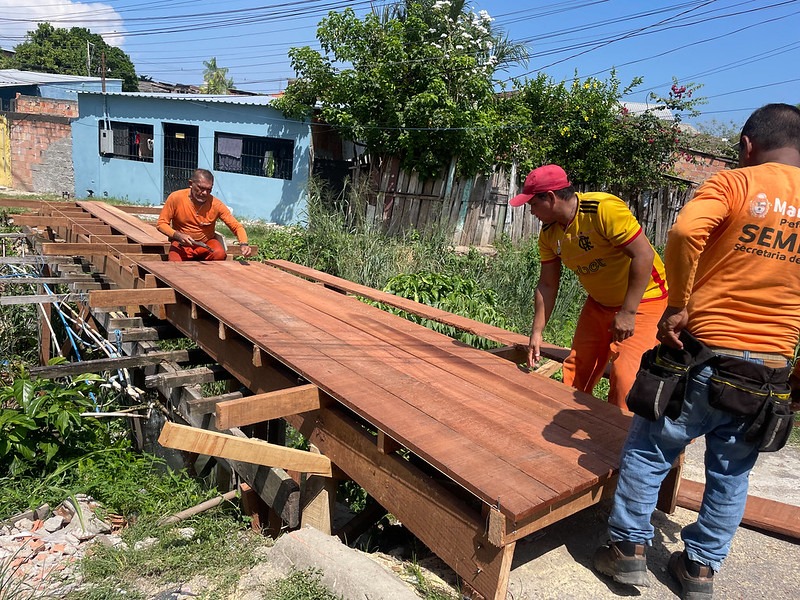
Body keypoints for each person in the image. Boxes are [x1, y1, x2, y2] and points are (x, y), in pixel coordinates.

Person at [593, 103, 800, 599]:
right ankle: (700, 569)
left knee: (651, 449)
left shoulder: (735, 182)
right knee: (731, 472)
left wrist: (678, 306)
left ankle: (627, 549)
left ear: (747, 144)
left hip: (704, 354)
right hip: (768, 368)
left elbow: (686, 232)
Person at [510, 164, 668, 407]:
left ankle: (618, 429)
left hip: (645, 300)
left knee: (625, 378)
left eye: (532, 204)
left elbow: (644, 255)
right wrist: (537, 332)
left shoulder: (602, 210)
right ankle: (565, 418)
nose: (531, 212)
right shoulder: (549, 234)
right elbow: (547, 284)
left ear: (550, 197)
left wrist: (628, 312)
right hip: (600, 302)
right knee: (576, 370)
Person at [157, 168, 252, 261]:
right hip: (182, 244)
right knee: (174, 261)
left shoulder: (216, 205)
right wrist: (178, 236)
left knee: (219, 253)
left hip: (205, 245)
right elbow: (161, 224)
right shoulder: (176, 198)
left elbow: (236, 226)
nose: (205, 193)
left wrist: (244, 244)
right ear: (191, 184)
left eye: (209, 189)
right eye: (201, 188)